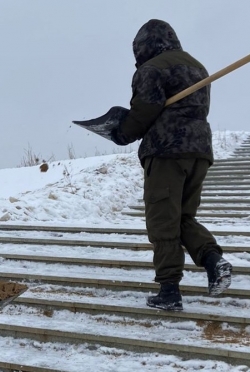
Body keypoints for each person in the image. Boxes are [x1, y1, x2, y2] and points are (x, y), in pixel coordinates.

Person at [96, 19, 232, 311]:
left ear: (146, 45)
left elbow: (145, 109)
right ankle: (213, 260)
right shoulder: (196, 66)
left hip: (166, 150)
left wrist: (122, 133)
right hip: (199, 150)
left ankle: (169, 291)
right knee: (183, 217)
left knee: (163, 221)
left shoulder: (153, 69)